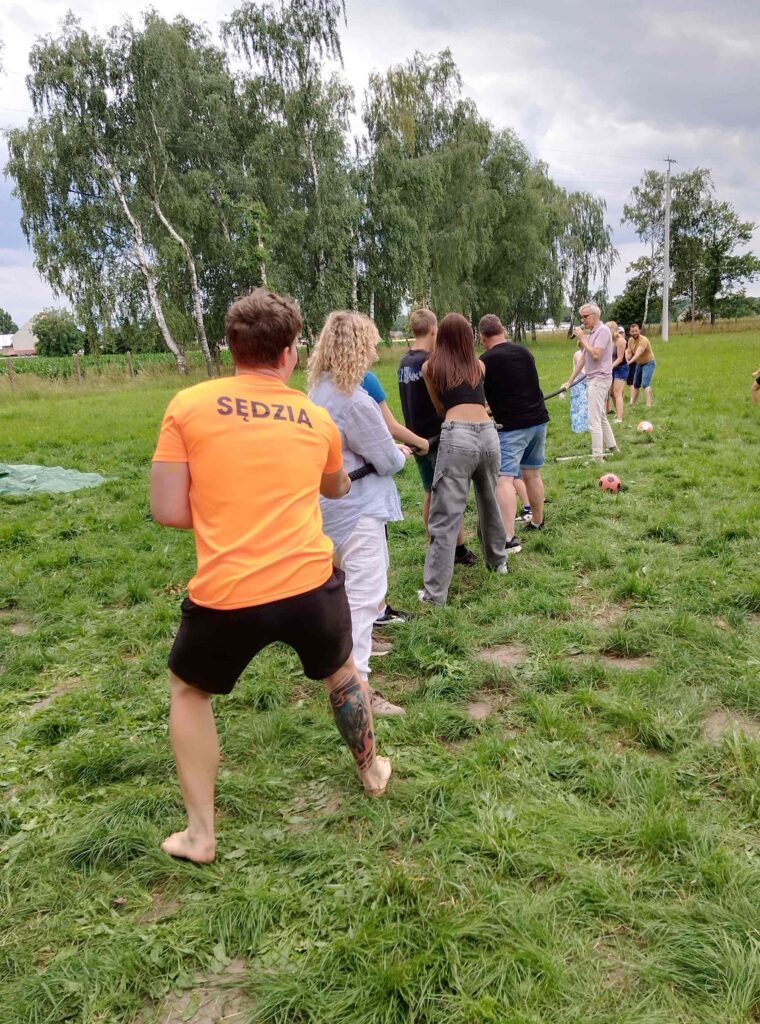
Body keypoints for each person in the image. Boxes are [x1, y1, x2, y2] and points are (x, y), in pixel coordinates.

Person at [151, 289, 391, 864]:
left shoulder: (187, 405)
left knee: (189, 691)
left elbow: (168, 509)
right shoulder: (315, 416)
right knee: (341, 675)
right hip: (309, 582)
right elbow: (334, 486)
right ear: (289, 351)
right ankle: (372, 769)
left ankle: (201, 834)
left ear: (232, 347)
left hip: (227, 589)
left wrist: (224, 510)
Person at [308, 311, 412, 716]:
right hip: (358, 510)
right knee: (365, 599)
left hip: (332, 507)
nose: (373, 352)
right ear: (356, 347)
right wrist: (401, 453)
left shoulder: (319, 391)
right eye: (369, 343)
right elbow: (385, 458)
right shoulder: (353, 399)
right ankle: (359, 691)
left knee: (348, 595)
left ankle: (348, 672)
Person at [418, 312, 508, 606]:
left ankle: (434, 596)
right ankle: (499, 565)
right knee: (489, 503)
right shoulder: (479, 365)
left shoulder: (430, 367)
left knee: (445, 517)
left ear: (441, 336)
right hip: (489, 435)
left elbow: (440, 408)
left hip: (457, 437)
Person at [398, 308, 478, 567]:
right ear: (434, 330)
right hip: (436, 437)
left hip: (415, 436)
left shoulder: (403, 363)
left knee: (430, 492)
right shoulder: (430, 364)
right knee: (450, 494)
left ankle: (438, 542)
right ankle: (457, 549)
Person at [361, 368, 427, 627]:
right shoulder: (364, 380)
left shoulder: (320, 384)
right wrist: (421, 442)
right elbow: (389, 427)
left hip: (333, 491)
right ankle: (376, 611)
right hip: (365, 490)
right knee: (373, 555)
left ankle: (373, 610)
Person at [479, 314, 549, 547]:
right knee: (533, 474)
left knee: (504, 478)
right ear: (503, 331)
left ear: (482, 337)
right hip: (538, 419)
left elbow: (483, 395)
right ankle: (538, 521)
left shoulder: (484, 361)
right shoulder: (524, 352)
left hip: (512, 426)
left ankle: (508, 538)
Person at [564, 303, 618, 460]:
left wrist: (582, 338)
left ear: (595, 315)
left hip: (600, 379)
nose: (583, 320)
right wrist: (569, 381)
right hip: (593, 379)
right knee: (600, 416)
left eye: (585, 316)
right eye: (582, 317)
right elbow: (583, 360)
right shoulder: (593, 333)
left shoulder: (602, 331)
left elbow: (595, 355)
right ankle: (614, 449)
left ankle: (597, 458)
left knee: (593, 419)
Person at [626, 323, 656, 407]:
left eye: (636, 331)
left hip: (648, 362)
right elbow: (629, 352)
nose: (634, 333)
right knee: (636, 384)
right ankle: (633, 403)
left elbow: (638, 353)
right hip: (639, 363)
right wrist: (626, 357)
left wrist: (630, 362)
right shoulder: (630, 340)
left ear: (639, 330)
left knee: (645, 384)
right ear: (630, 332)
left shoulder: (643, 340)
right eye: (632, 331)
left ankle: (649, 405)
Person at [610, 324, 628, 423]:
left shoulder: (620, 341)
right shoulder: (610, 341)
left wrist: (610, 367)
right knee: (611, 393)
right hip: (612, 368)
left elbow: (620, 358)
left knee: (617, 392)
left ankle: (620, 418)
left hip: (621, 368)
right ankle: (618, 412)